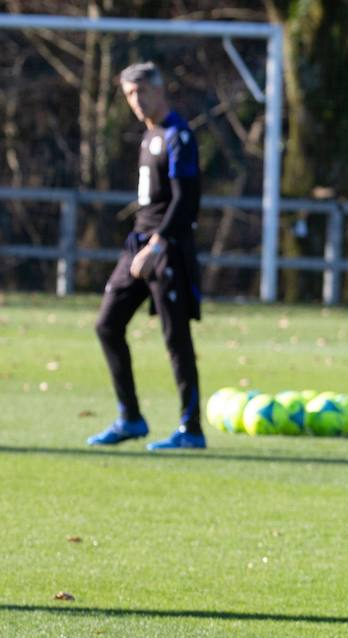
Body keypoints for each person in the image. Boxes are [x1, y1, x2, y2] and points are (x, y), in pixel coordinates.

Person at [87, 62, 205, 450]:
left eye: (139, 93)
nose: (135, 102)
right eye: (128, 96)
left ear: (158, 90)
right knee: (107, 325)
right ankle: (131, 418)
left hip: (167, 248)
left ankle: (191, 430)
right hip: (138, 245)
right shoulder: (148, 137)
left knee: (176, 337)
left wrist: (158, 244)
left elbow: (186, 201)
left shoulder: (178, 136)